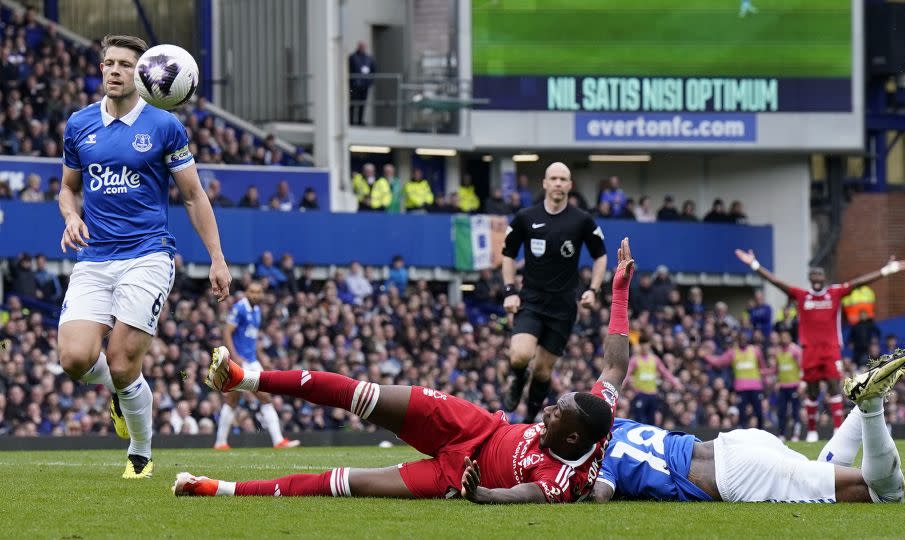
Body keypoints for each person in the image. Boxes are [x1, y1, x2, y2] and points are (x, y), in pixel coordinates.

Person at [173, 238, 636, 503]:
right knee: (362, 394)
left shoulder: (560, 480)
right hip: (474, 425)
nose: (549, 410)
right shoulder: (598, 412)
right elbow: (615, 363)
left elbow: (520, 499)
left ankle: (218, 488)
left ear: (573, 439)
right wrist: (618, 291)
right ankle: (243, 378)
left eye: (557, 414)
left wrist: (479, 494)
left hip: (456, 477)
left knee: (345, 483)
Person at [56, 35, 231, 479]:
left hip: (148, 255)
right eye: (108, 63)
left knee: (121, 362)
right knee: (74, 360)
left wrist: (217, 257)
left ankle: (140, 451)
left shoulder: (164, 126)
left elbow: (193, 196)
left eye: (125, 65)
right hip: (94, 257)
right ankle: (120, 393)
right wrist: (70, 217)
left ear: (145, 73)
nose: (114, 71)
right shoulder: (78, 124)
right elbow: (68, 188)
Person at [591, 345, 905, 503]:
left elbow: (600, 495)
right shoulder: (615, 422)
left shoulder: (601, 459)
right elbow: (613, 367)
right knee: (817, 471)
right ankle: (867, 402)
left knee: (885, 495)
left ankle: (870, 404)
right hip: (738, 444)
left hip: (738, 473)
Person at [734, 248, 905, 442]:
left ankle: (836, 429)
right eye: (813, 275)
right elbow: (775, 281)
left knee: (834, 386)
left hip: (830, 349)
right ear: (809, 278)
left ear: (824, 278)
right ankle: (812, 430)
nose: (817, 277)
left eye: (820, 274)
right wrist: (754, 264)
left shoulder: (835, 293)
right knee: (812, 390)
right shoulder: (802, 295)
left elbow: (860, 282)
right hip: (809, 350)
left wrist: (887, 270)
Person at [501, 162, 608, 423]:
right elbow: (508, 254)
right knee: (520, 355)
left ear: (570, 185)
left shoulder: (581, 220)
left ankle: (528, 420)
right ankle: (517, 376)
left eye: (563, 179)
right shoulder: (526, 217)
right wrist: (509, 290)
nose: (558, 183)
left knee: (542, 371)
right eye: (554, 179)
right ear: (545, 184)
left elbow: (601, 256)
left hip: (562, 307)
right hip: (532, 300)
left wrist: (593, 289)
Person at [214, 281, 299, 450]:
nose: (255, 295)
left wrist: (261, 357)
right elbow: (226, 332)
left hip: (252, 360)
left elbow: (251, 339)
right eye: (252, 291)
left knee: (233, 400)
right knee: (265, 397)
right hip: (242, 362)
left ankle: (220, 443)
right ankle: (278, 441)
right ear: (246, 292)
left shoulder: (258, 311)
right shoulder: (240, 308)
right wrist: (236, 357)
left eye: (258, 292)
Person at [702, 331, 771, 429]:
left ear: (748, 339)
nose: (743, 340)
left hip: (755, 387)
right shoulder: (733, 352)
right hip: (741, 388)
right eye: (741, 339)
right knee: (742, 413)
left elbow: (762, 368)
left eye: (744, 338)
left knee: (759, 412)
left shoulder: (756, 350)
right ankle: (742, 436)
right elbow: (719, 362)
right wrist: (706, 356)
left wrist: (768, 377)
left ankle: (761, 434)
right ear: (737, 340)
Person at [625, 336, 680, 425]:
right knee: (639, 420)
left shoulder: (654, 359)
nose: (644, 347)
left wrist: (674, 382)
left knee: (651, 421)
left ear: (649, 345)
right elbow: (627, 374)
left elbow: (664, 372)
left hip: (652, 394)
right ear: (640, 346)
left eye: (646, 344)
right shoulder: (635, 359)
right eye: (642, 345)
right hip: (640, 393)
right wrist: (622, 384)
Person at [770, 331, 802, 441]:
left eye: (785, 337)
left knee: (795, 411)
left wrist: (801, 383)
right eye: (782, 337)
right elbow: (776, 370)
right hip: (783, 386)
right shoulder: (778, 352)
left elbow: (801, 367)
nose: (783, 339)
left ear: (789, 338)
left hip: (794, 385)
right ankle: (782, 434)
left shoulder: (795, 350)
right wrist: (777, 381)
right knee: (781, 411)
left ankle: (796, 435)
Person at [347, 41, 375, 126]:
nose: (362, 48)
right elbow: (348, 69)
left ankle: (360, 121)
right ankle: (351, 121)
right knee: (352, 103)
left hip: (364, 86)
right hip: (352, 86)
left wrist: (369, 82)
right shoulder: (352, 57)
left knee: (362, 103)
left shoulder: (368, 58)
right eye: (361, 47)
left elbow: (373, 70)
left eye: (363, 47)